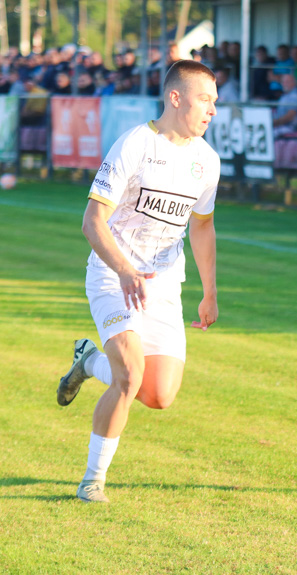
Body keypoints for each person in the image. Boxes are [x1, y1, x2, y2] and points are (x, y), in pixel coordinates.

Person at [56, 60, 220, 504]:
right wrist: (126, 270)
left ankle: (89, 361)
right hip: (114, 276)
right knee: (129, 376)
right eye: (205, 99)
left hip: (164, 286)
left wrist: (209, 291)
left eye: (215, 102)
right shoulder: (134, 144)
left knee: (159, 394)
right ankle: (93, 480)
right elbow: (93, 221)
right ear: (176, 97)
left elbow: (201, 227)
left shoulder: (207, 160)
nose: (212, 111)